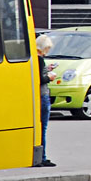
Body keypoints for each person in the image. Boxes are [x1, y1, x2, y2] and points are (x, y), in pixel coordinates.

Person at [36, 34, 58, 167]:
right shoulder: (39, 59)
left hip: (38, 96)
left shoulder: (35, 58)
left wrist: (47, 70)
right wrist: (49, 77)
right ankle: (42, 157)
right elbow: (40, 79)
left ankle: (40, 156)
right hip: (42, 95)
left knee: (40, 127)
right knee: (43, 127)